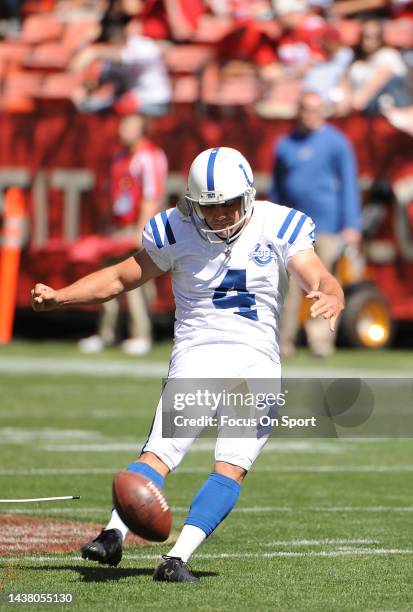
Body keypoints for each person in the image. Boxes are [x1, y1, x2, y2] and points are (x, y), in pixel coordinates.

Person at [31, 146, 344, 582]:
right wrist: (62, 296)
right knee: (160, 452)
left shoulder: (278, 223)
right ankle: (112, 534)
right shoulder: (176, 228)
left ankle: (175, 558)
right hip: (200, 352)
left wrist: (330, 290)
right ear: (194, 204)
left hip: (256, 360)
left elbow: (315, 271)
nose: (218, 217)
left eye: (229, 206)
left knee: (230, 462)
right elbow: (122, 276)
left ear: (249, 196)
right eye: (209, 208)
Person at [269, 91, 360, 357]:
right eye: (307, 109)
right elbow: (277, 188)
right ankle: (283, 341)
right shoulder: (285, 144)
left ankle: (320, 343)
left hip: (327, 227)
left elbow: (348, 185)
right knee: (287, 287)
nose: (312, 114)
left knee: (323, 285)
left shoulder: (336, 142)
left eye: (317, 109)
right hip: (292, 229)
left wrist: (351, 224)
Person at [78, 113, 168, 355]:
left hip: (136, 226)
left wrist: (142, 229)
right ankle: (106, 333)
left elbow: (152, 195)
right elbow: (114, 195)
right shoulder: (119, 157)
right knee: (107, 278)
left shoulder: (149, 156)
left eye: (129, 126)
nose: (123, 130)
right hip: (117, 227)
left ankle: (140, 334)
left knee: (136, 281)